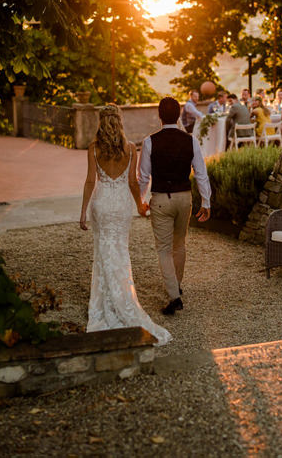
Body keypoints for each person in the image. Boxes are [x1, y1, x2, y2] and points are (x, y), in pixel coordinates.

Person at [79, 105, 170, 345]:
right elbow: (132, 182)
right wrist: (140, 204)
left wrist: (82, 212)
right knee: (119, 249)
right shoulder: (130, 148)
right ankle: (121, 301)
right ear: (119, 121)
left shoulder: (94, 148)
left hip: (101, 203)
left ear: (101, 122)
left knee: (102, 251)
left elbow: (90, 181)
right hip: (120, 205)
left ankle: (103, 303)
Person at [138, 98, 211, 315]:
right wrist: (206, 202)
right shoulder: (190, 140)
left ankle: (174, 296)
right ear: (178, 116)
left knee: (163, 249)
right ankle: (176, 285)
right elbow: (201, 173)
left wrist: (141, 200)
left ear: (159, 116)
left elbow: (143, 177)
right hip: (184, 198)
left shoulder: (149, 141)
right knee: (179, 244)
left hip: (161, 199)